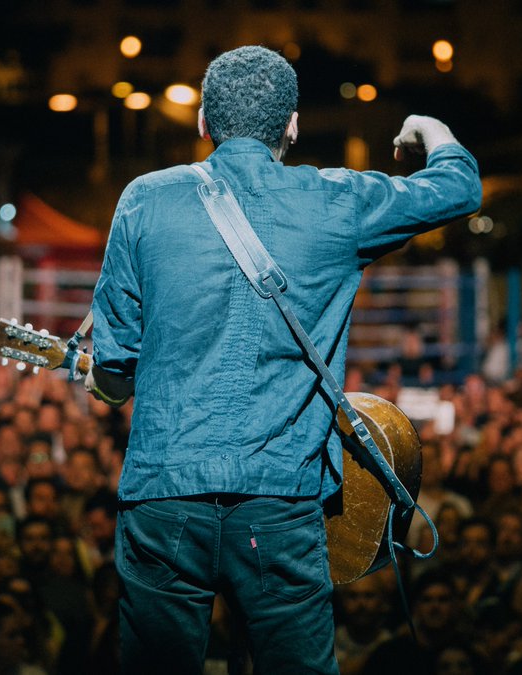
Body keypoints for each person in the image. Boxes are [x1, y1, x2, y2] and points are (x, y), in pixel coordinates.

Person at [85, 45, 481, 674]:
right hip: (281, 502)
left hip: (163, 498)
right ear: (293, 124)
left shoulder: (144, 200)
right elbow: (460, 189)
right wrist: (429, 131)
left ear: (203, 125)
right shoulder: (336, 201)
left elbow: (114, 369)